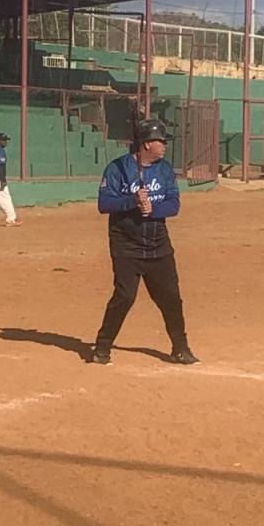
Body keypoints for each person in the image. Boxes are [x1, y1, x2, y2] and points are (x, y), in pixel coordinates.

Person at [91, 118, 198, 366]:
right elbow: (104, 204)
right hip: (126, 244)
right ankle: (102, 347)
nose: (164, 145)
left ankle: (180, 348)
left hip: (158, 243)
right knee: (125, 296)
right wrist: (132, 202)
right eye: (161, 141)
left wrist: (153, 209)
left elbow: (173, 205)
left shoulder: (165, 170)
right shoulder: (117, 168)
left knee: (171, 298)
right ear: (147, 144)